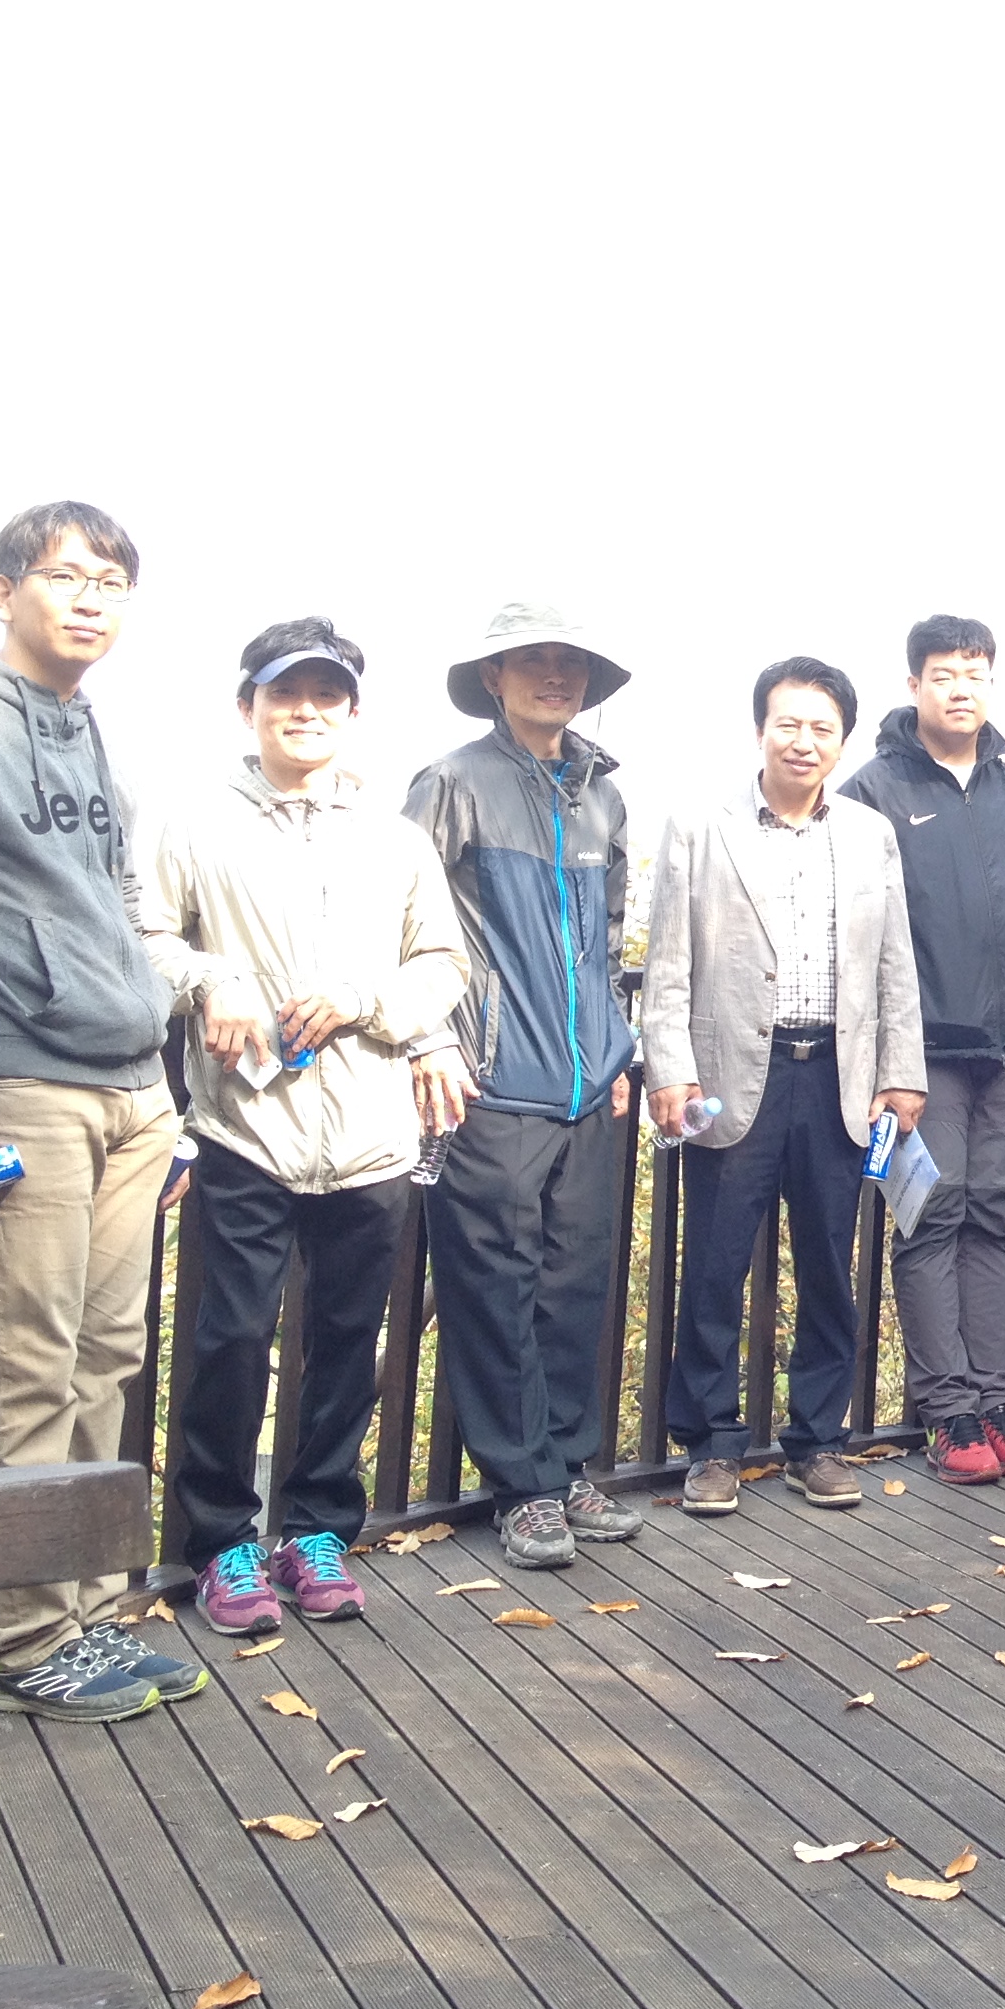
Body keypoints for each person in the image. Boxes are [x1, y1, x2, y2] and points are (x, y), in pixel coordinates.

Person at [0, 502, 202, 1722]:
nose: (91, 598)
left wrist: (164, 1081)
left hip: (132, 1089)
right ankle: (19, 1639)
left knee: (107, 1356)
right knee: (29, 1360)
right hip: (24, 1088)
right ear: (5, 591)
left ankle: (88, 1609)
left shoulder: (83, 722)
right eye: (67, 575)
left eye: (112, 581)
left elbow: (113, 899)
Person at [143, 619, 469, 1634]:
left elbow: (442, 963)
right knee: (233, 1340)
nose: (307, 712)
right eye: (286, 694)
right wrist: (212, 980)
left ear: (352, 714)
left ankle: (317, 1529)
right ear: (248, 708)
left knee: (345, 1340)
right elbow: (144, 936)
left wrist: (368, 1001)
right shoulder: (193, 821)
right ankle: (220, 1545)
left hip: (372, 1135)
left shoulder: (393, 836)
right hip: (247, 1126)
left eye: (328, 697)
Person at [641, 659, 926, 1515]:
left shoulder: (870, 833)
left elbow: (895, 961)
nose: (804, 741)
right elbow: (667, 963)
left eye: (821, 728)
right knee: (715, 1266)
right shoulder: (701, 826)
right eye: (788, 724)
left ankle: (818, 1441)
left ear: (842, 740)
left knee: (831, 1268)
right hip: (731, 1076)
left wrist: (901, 1073)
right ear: (760, 730)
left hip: (839, 1076)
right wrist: (669, 1067)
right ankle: (711, 1446)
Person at [403, 602, 640, 1571]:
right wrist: (430, 1042)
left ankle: (566, 1465)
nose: (555, 674)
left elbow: (608, 938)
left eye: (570, 660)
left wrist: (614, 1049)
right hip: (488, 1081)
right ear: (493, 677)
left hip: (588, 1085)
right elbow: (402, 918)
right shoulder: (452, 783)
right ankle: (522, 1487)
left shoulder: (601, 795)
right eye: (532, 659)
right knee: (494, 1286)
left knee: (575, 1283)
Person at [838, 616, 1005, 1485]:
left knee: (995, 1220)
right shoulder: (872, 790)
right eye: (943, 673)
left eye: (975, 673)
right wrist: (882, 1059)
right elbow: (857, 935)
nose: (960, 688)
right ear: (914, 685)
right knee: (930, 1219)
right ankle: (948, 1413)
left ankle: (998, 1403)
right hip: (920, 1057)